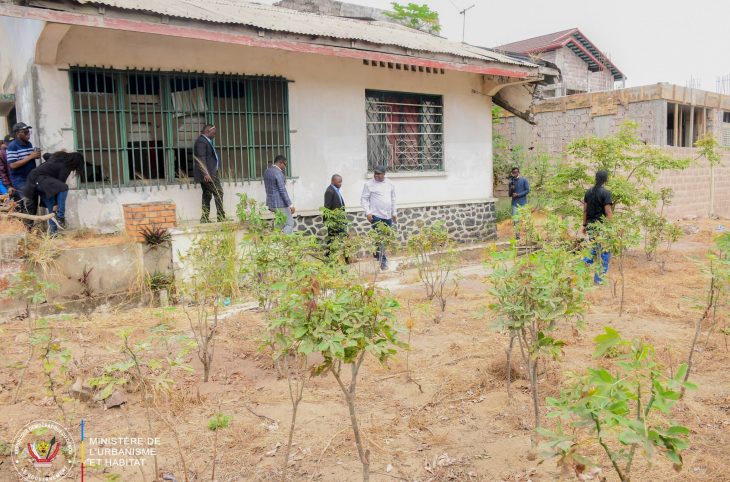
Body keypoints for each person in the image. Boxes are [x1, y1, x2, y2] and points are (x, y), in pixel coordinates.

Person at [23, 151, 84, 235]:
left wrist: (51, 159)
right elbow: (59, 188)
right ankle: (60, 216)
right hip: (39, 180)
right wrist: (56, 204)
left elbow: (45, 155)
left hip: (36, 179)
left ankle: (53, 233)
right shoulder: (65, 167)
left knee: (51, 209)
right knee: (64, 188)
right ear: (75, 163)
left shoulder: (56, 158)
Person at [361, 165, 397, 270]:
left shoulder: (390, 183)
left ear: (384, 174)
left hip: (388, 215)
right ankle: (383, 262)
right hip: (376, 216)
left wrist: (394, 213)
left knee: (385, 238)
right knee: (380, 238)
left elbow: (393, 199)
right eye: (375, 173)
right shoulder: (369, 184)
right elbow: (364, 199)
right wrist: (368, 212)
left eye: (379, 174)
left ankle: (377, 254)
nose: (376, 175)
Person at [582, 170, 613, 284]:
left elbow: (585, 210)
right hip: (601, 227)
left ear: (595, 178)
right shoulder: (606, 193)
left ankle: (583, 262)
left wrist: (584, 225)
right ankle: (599, 280)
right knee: (604, 252)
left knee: (594, 248)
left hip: (590, 225)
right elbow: (608, 212)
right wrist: (611, 228)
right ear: (606, 179)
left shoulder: (588, 192)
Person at [193, 124, 226, 223]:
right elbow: (201, 158)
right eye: (214, 132)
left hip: (210, 173)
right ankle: (221, 217)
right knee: (219, 192)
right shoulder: (201, 142)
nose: (215, 135)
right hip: (209, 175)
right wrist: (206, 173)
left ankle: (204, 218)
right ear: (208, 131)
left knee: (207, 195)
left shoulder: (205, 141)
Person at [263, 154, 295, 234]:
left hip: (271, 203)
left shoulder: (267, 171)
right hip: (280, 204)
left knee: (280, 224)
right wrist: (290, 205)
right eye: (285, 164)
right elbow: (282, 190)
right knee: (290, 223)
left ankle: (276, 242)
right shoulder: (278, 173)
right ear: (280, 163)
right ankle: (283, 241)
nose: (285, 167)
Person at [6, 122, 40, 191]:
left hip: (31, 177)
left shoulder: (29, 144)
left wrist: (36, 156)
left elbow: (29, 158)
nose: (28, 134)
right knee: (28, 199)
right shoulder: (12, 146)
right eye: (25, 132)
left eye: (28, 132)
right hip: (20, 180)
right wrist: (30, 157)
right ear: (18, 134)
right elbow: (13, 165)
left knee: (43, 191)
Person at [323, 174, 347, 259]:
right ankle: (329, 256)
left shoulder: (336, 190)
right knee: (333, 238)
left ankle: (342, 257)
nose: (340, 183)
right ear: (333, 181)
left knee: (340, 237)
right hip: (333, 221)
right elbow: (327, 207)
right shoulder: (330, 191)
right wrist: (327, 221)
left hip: (339, 220)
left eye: (341, 182)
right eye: (339, 182)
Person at [509, 167, 529, 240]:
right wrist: (511, 190)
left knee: (526, 219)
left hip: (523, 203)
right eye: (513, 172)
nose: (515, 173)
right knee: (515, 220)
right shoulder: (511, 182)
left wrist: (518, 194)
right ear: (512, 173)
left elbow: (527, 190)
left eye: (516, 172)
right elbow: (509, 194)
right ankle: (517, 236)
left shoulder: (524, 180)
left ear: (519, 172)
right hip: (514, 204)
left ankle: (529, 235)